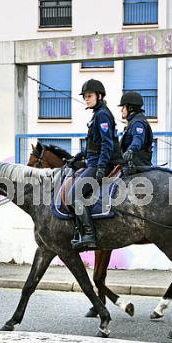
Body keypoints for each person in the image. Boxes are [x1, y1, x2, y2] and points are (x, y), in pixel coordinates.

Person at [68, 79, 122, 250]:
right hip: (93, 161)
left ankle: (89, 235)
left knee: (74, 195)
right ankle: (79, 232)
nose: (86, 99)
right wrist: (78, 156)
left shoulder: (103, 115)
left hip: (100, 164)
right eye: (84, 97)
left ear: (99, 96)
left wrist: (100, 167)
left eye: (89, 96)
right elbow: (94, 143)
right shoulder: (96, 114)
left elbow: (107, 144)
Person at [118, 91, 153, 170]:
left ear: (130, 108)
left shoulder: (138, 122)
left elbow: (138, 139)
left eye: (123, 107)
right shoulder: (133, 121)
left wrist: (131, 150)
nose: (121, 110)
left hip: (137, 166)